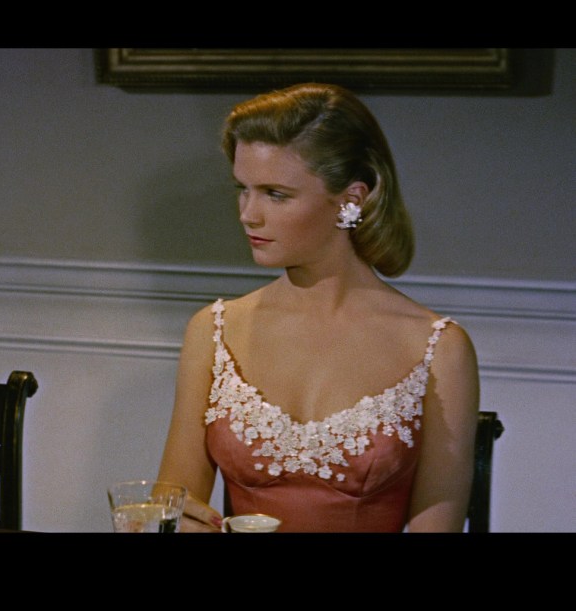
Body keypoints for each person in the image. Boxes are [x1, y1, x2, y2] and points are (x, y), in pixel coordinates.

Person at [157, 83, 480, 532]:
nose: (248, 214)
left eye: (275, 194)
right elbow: (175, 504)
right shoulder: (214, 330)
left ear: (350, 199)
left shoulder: (439, 348)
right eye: (242, 189)